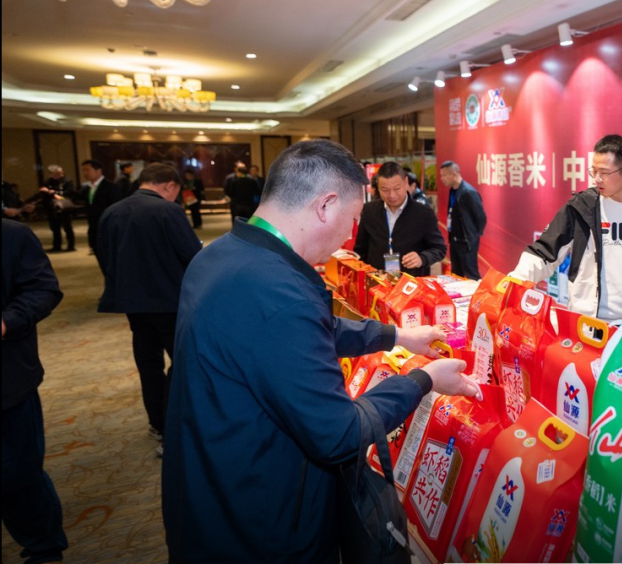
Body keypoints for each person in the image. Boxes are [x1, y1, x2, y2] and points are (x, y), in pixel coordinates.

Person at [162, 139, 478, 563]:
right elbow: (339, 435)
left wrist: (397, 336)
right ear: (325, 205)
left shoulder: (221, 255)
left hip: (205, 487)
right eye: (352, 219)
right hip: (261, 520)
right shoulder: (282, 294)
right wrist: (423, 380)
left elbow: (307, 331)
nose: (349, 234)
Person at [509, 134, 622, 320]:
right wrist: (515, 282)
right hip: (584, 322)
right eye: (594, 171)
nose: (596, 179)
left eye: (604, 173)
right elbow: (544, 253)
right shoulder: (582, 207)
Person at [96, 164, 203, 455]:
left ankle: (157, 422)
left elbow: (103, 256)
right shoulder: (169, 211)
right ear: (170, 185)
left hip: (132, 303)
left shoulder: (112, 211)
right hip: (169, 301)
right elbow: (192, 255)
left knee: (148, 364)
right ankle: (173, 428)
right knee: (181, 362)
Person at [2, 219, 68, 563]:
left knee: (17, 474)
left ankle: (43, 547)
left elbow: (43, 290)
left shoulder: (11, 235)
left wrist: (6, 321)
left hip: (8, 382)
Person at [354, 162, 446, 276]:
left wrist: (422, 258)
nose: (392, 195)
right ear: (378, 186)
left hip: (411, 281)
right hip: (377, 280)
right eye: (385, 190)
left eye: (397, 189)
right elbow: (360, 250)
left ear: (406, 182)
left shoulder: (424, 213)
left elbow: (439, 249)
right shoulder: (369, 211)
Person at [439, 160, 487, 280]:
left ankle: (478, 292)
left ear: (454, 174)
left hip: (466, 242)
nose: (442, 179)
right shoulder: (453, 191)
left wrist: (474, 235)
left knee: (471, 274)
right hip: (455, 240)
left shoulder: (468, 192)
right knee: (456, 274)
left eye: (444, 175)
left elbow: (481, 217)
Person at [79, 159, 122, 257]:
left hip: (108, 229)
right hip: (94, 229)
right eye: (83, 170)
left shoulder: (111, 187)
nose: (85, 173)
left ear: (98, 170)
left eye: (87, 170)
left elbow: (116, 209)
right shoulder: (87, 188)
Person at [40, 165, 76, 253]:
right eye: (54, 174)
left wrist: (54, 192)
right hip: (52, 207)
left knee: (67, 227)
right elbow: (44, 193)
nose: (57, 175)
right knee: (55, 227)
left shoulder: (67, 181)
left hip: (64, 207)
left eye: (58, 173)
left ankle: (71, 245)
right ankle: (57, 245)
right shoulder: (48, 181)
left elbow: (70, 192)